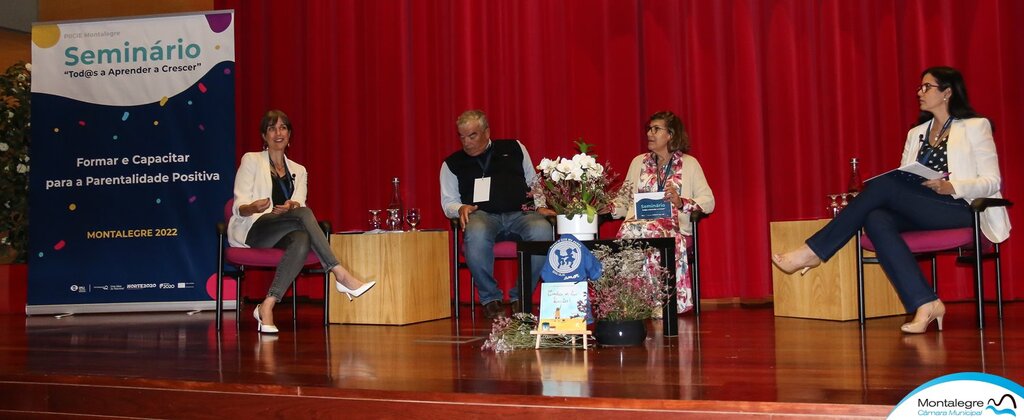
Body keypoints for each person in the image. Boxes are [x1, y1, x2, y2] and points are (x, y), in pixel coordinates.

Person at [772, 67, 1011, 334]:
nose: (920, 93)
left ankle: (814, 251)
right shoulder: (916, 133)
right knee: (876, 217)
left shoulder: (976, 126)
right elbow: (904, 178)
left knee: (882, 186)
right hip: (923, 208)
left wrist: (950, 186)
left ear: (947, 92)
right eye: (919, 88)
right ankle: (926, 302)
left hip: (962, 206)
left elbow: (992, 180)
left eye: (927, 87)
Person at [228, 109, 375, 334]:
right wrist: (253, 207)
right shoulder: (251, 160)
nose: (278, 133)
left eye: (283, 127)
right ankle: (340, 273)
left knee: (302, 237)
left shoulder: (299, 170)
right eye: (272, 128)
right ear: (264, 136)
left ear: (289, 135)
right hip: (255, 228)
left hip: (284, 228)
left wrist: (290, 207)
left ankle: (267, 306)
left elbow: (299, 203)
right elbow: (239, 206)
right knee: (305, 215)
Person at [440, 110, 554, 319]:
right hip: (482, 216)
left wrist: (539, 206)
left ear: (486, 132)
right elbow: (448, 201)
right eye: (462, 136)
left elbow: (534, 181)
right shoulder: (452, 164)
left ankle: (521, 296)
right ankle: (490, 299)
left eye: (472, 135)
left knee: (543, 229)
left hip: (521, 214)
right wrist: (459, 209)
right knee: (475, 232)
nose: (466, 142)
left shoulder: (515, 148)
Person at [613, 111, 715, 314]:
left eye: (656, 129)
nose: (650, 133)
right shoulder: (638, 162)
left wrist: (681, 202)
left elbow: (709, 202)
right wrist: (604, 207)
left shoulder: (690, 164)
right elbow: (623, 200)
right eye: (649, 129)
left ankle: (657, 304)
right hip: (637, 226)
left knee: (651, 234)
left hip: (674, 229)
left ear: (671, 135)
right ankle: (630, 303)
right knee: (629, 233)